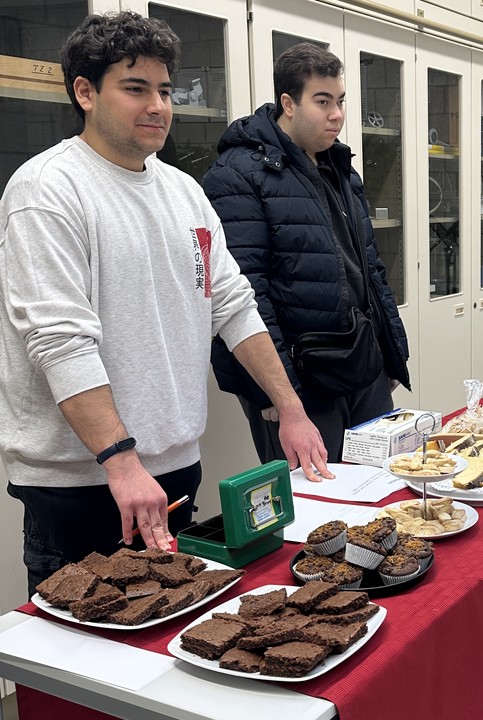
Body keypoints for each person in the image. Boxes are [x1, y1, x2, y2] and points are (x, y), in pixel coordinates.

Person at [0, 11, 332, 597]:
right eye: (135, 88)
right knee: (84, 666)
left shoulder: (183, 191)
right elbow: (60, 339)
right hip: (85, 482)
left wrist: (291, 409)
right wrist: (121, 461)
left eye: (164, 90)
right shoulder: (48, 189)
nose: (157, 105)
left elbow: (231, 304)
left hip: (172, 467)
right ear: (84, 92)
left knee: (162, 651)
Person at [202, 43, 410, 463]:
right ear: (288, 103)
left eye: (341, 101)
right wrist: (278, 395)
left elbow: (369, 269)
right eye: (322, 101)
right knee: (319, 513)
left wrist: (390, 356)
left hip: (361, 364)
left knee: (384, 492)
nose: (337, 114)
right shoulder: (239, 175)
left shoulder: (340, 169)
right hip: (299, 380)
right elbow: (245, 296)